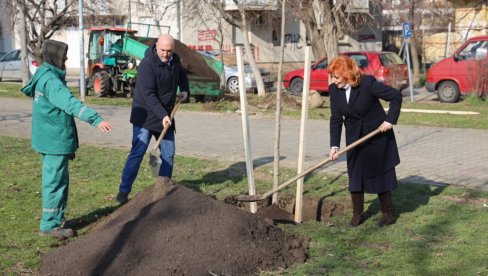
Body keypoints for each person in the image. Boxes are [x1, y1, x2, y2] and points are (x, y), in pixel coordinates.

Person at [21, 39, 113, 239]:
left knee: (56, 181)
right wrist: (95, 119)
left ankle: (55, 220)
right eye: (63, 55)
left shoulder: (44, 74)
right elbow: (69, 102)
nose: (66, 58)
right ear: (55, 57)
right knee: (55, 182)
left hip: (49, 137)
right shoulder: (51, 82)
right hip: (54, 140)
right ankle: (50, 226)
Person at [327, 55, 402, 227]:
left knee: (380, 175)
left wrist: (390, 120)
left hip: (376, 136)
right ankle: (357, 214)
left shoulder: (367, 83)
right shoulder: (334, 91)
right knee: (355, 176)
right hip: (355, 138)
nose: (333, 80)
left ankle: (388, 215)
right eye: (332, 76)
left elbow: (395, 96)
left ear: (347, 75)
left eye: (336, 77)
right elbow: (336, 119)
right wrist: (334, 145)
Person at [116, 34, 189, 204]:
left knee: (169, 154)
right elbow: (148, 94)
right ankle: (124, 191)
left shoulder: (175, 60)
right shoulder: (147, 65)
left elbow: (182, 76)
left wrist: (185, 91)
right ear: (156, 46)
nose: (166, 54)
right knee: (138, 152)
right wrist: (162, 115)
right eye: (163, 50)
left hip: (166, 116)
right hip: (146, 117)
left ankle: (162, 190)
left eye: (169, 51)